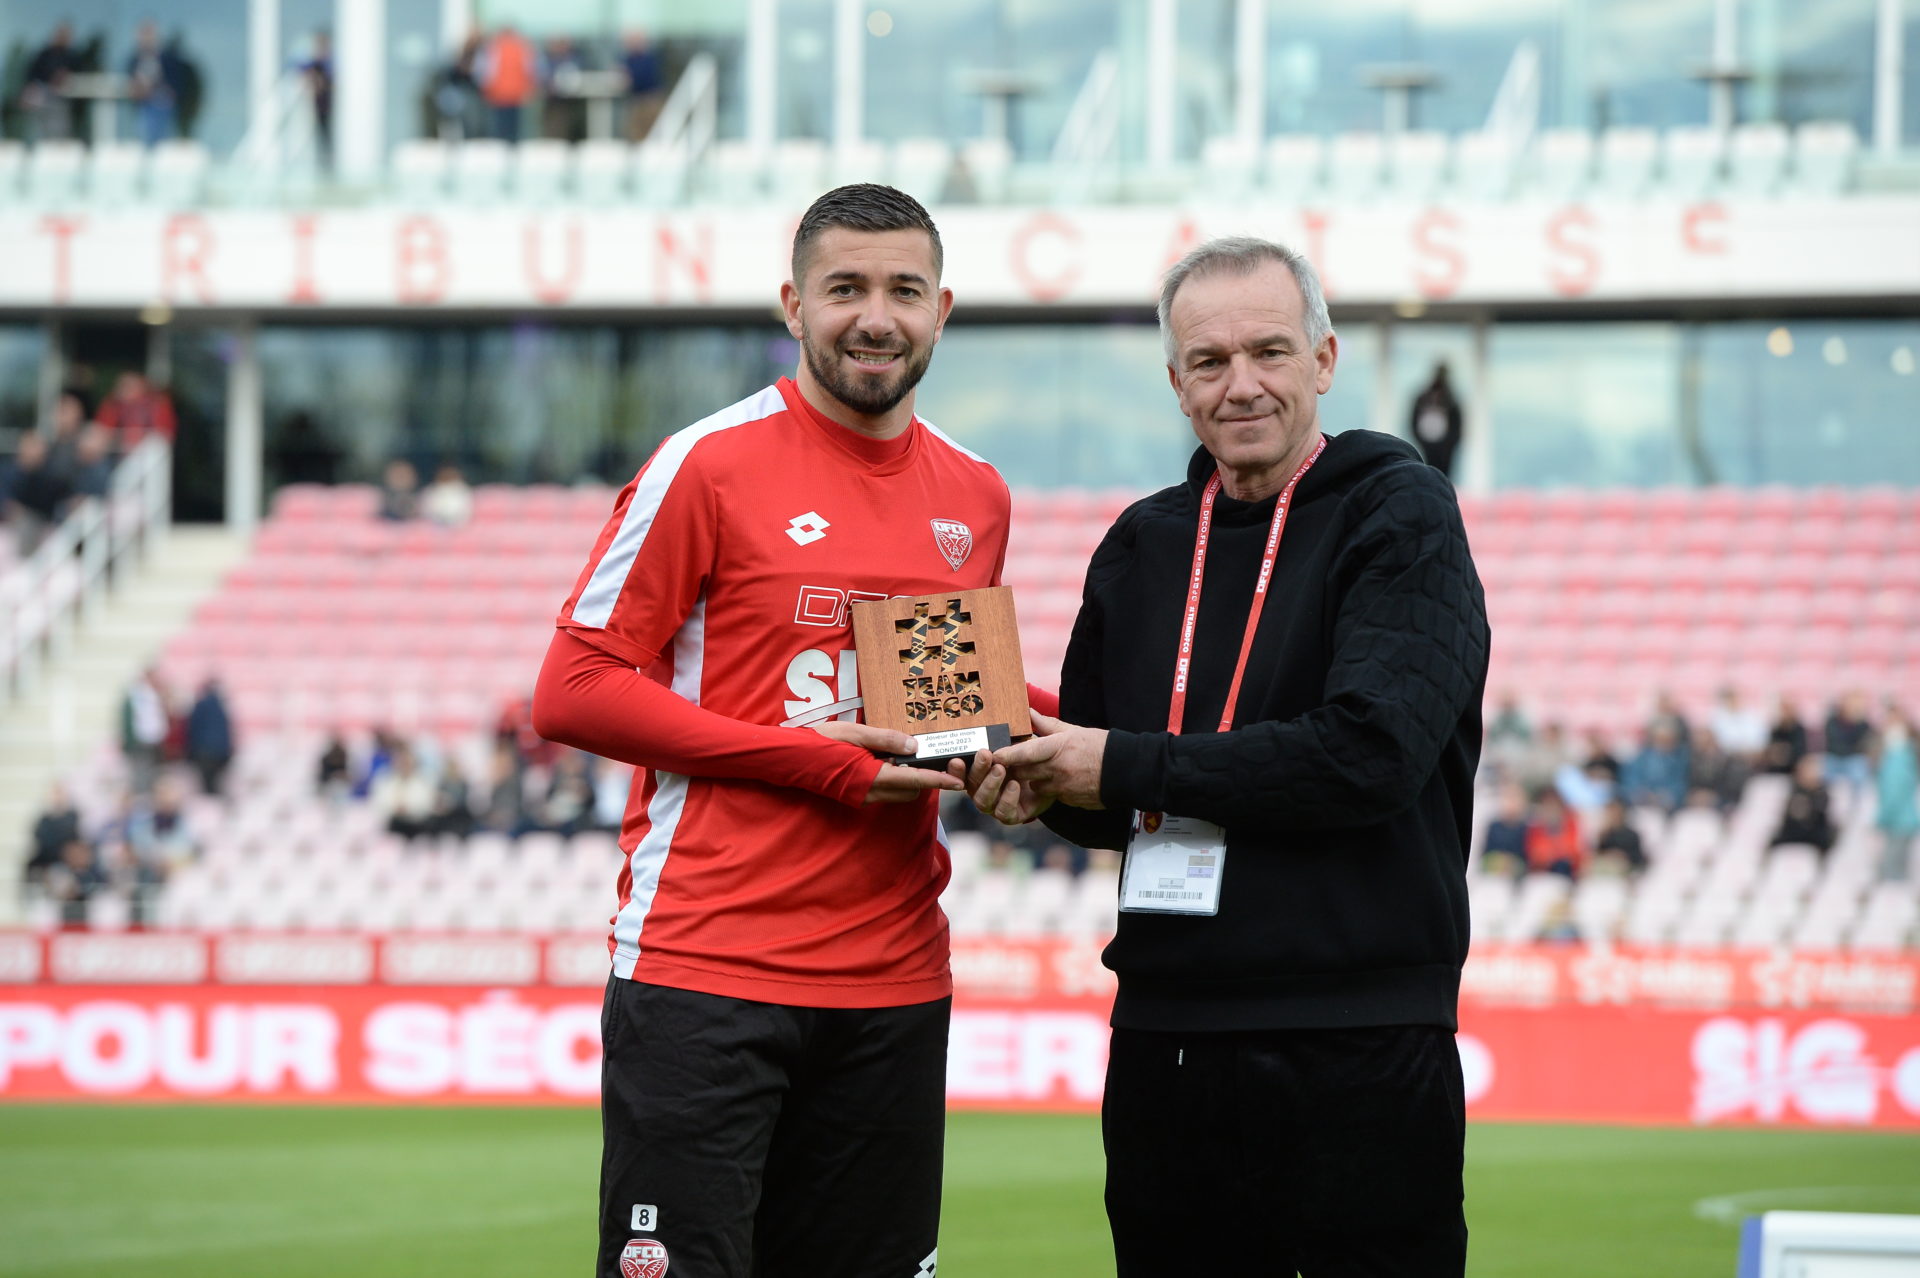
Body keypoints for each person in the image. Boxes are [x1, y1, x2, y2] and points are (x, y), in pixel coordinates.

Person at [964, 236, 1488, 1275]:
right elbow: (1108, 788)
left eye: (1270, 351)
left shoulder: (1401, 509)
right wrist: (1034, 787)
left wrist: (1115, 769)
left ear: (1325, 360)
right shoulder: (1143, 542)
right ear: (1175, 383)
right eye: (1209, 362)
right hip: (1167, 1040)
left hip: (1359, 1037)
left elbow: (1368, 754)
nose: (1240, 384)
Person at [531, 184, 1028, 1278]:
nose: (875, 316)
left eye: (904, 289)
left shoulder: (974, 495)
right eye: (844, 288)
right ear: (792, 305)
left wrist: (1012, 763)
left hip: (894, 981)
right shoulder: (707, 463)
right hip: (708, 968)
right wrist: (823, 763)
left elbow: (941, 730)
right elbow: (572, 686)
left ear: (942, 309)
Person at [124, 20, 187, 147]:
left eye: (149, 34)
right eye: (144, 34)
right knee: (145, 140)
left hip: (164, 106)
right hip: (144, 106)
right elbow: (130, 82)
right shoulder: (134, 59)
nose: (146, 38)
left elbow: (176, 82)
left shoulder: (168, 58)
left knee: (165, 144)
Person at [1874, 706, 1918, 882]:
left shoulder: (1901, 755)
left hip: (1899, 821)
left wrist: (1884, 816)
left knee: (1892, 873)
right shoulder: (1895, 754)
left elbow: (1895, 791)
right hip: (1902, 820)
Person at [476, 25, 540, 143]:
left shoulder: (493, 47)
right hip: (516, 95)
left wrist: (485, 89)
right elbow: (530, 70)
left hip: (497, 94)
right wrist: (530, 89)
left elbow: (485, 71)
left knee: (499, 130)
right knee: (514, 131)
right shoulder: (522, 47)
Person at [21, 22, 78, 144]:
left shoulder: (71, 56)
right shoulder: (44, 54)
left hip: (62, 97)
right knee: (41, 130)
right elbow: (31, 74)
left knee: (59, 129)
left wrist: (65, 78)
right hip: (43, 95)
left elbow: (78, 75)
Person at [94, 371, 178, 453]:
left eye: (130, 385)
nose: (125, 389)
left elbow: (165, 434)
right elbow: (103, 430)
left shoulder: (157, 403)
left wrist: (137, 436)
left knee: (156, 444)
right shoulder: (112, 404)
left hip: (146, 453)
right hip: (117, 453)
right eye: (123, 385)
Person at [1773, 754, 1836, 855]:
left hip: (1815, 835)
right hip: (1793, 833)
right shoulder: (1792, 789)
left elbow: (1822, 816)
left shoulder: (1822, 792)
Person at [1409, 360, 1463, 478]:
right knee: (1430, 474)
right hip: (1427, 444)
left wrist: (1450, 443)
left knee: (1444, 476)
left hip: (1446, 447)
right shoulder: (1424, 398)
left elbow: (1457, 425)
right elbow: (1413, 421)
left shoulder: (1450, 399)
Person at [184, 677, 234, 796]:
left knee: (207, 785)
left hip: (205, 750)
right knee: (215, 784)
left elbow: (193, 727)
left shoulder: (201, 705)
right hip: (220, 750)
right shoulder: (222, 706)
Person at [621, 30, 664, 141]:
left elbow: (644, 78)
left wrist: (630, 77)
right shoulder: (628, 60)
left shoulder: (649, 59)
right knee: (636, 134)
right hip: (636, 100)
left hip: (650, 100)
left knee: (652, 131)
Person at [300, 30, 333, 168]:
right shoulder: (314, 63)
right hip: (318, 103)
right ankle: (322, 162)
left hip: (326, 103)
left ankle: (326, 162)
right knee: (319, 132)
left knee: (325, 133)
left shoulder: (329, 63)